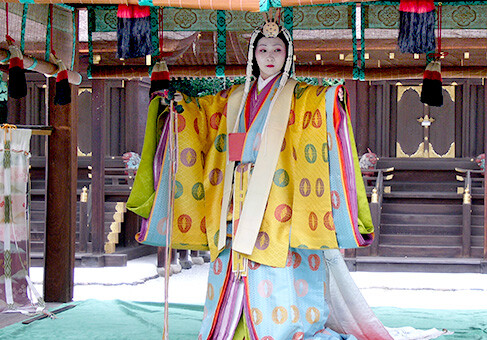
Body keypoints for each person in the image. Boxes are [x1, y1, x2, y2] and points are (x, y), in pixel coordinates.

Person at [127, 13, 446, 340]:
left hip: (281, 198)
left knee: (280, 266)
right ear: (253, 54)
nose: (269, 56)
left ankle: (282, 329)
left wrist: (329, 102)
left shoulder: (299, 95)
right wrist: (179, 108)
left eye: (276, 50)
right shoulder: (233, 97)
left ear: (287, 55)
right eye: (262, 49)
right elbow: (202, 117)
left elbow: (317, 110)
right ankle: (231, 327)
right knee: (232, 260)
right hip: (235, 197)